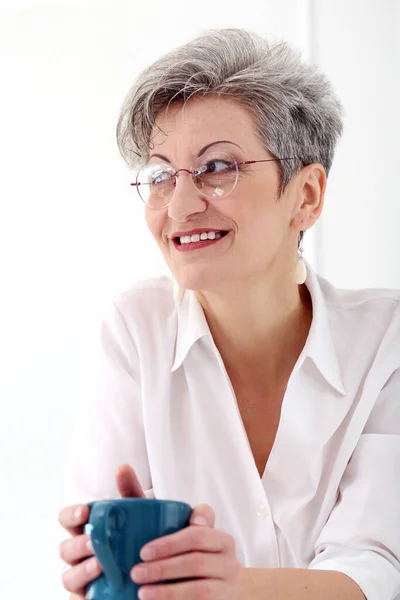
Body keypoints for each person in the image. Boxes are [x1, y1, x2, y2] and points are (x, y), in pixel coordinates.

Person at [58, 28, 400, 600]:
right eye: (162, 174)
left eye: (217, 167)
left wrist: (232, 587)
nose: (181, 206)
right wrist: (113, 569)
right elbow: (99, 553)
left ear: (307, 196)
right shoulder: (134, 328)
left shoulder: (384, 337)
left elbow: (377, 566)